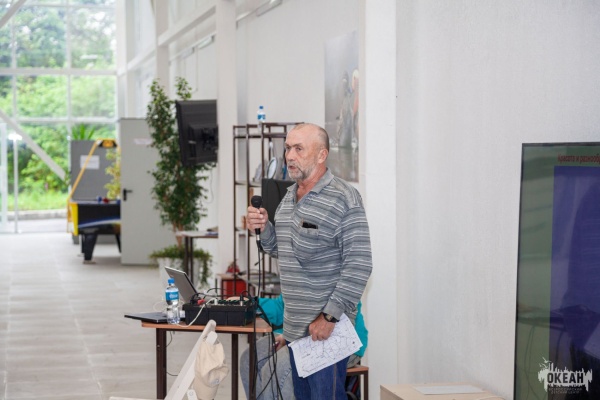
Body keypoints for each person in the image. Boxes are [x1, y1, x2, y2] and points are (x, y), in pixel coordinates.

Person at [247, 123, 373, 399]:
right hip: (296, 331)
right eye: (287, 148)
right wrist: (264, 227)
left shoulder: (344, 198)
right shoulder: (289, 197)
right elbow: (280, 248)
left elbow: (360, 264)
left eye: (299, 149)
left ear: (321, 155)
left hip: (327, 332)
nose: (290, 156)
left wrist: (329, 317)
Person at [240, 294, 368, 399]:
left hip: (336, 334)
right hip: (298, 334)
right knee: (249, 358)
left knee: (275, 368)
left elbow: (334, 308)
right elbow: (281, 307)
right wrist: (251, 303)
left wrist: (290, 335)